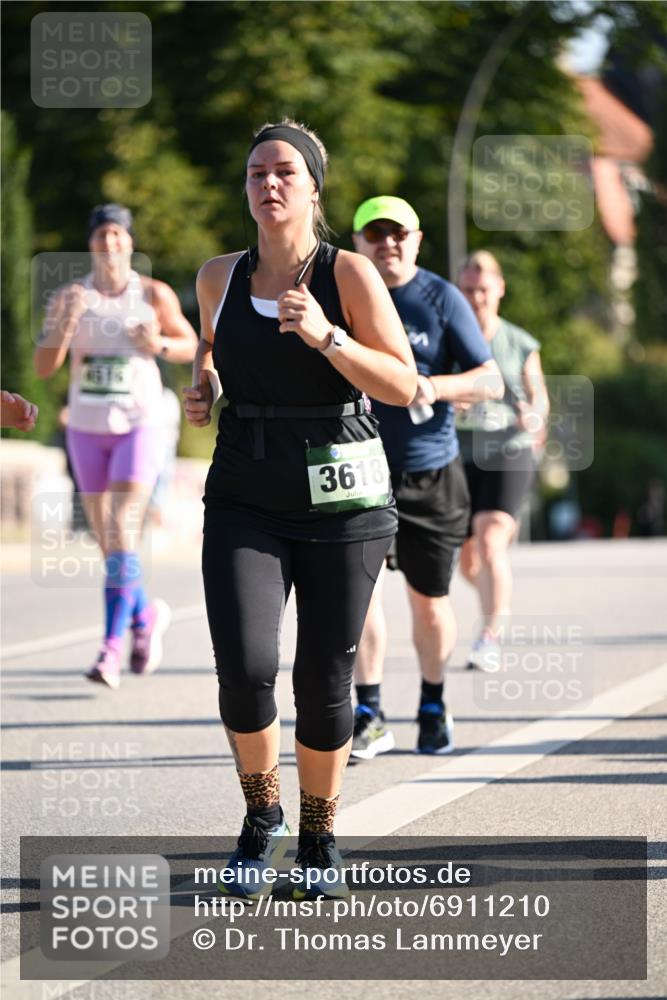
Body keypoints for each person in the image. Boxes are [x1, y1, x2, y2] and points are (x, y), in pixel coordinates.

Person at [182, 120, 416, 899]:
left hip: (341, 498)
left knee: (323, 678)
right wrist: (204, 387)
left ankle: (319, 835)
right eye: (255, 173)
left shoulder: (346, 275)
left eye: (284, 171)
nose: (268, 184)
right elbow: (212, 351)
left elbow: (402, 384)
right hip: (246, 489)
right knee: (246, 669)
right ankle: (262, 817)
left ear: (313, 186)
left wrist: (328, 340)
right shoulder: (216, 276)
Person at [350, 196, 503, 759]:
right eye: (375, 235)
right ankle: (369, 711)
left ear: (416, 240)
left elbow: (491, 381)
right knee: (359, 599)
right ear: (359, 241)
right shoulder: (343, 293)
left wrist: (433, 386)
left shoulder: (441, 297)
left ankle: (433, 703)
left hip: (431, 474)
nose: (387, 244)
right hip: (360, 473)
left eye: (398, 234)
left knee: (428, 601)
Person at [34, 203, 198, 689]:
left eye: (118, 235)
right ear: (91, 243)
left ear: (130, 242)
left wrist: (159, 344)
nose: (110, 244)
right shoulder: (69, 295)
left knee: (123, 529)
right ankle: (145, 617)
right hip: (86, 428)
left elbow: (191, 343)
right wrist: (66, 324)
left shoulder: (153, 293)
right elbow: (45, 367)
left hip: (140, 424)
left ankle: (109, 648)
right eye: (102, 234)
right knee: (111, 542)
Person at [456, 250, 549, 670]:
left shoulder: (518, 341)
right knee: (467, 559)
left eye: (483, 290)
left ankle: (490, 634)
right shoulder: (450, 337)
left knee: (490, 538)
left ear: (499, 289)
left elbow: (540, 397)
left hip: (509, 450)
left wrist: (534, 413)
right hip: (459, 454)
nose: (476, 298)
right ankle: (498, 603)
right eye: (469, 290)